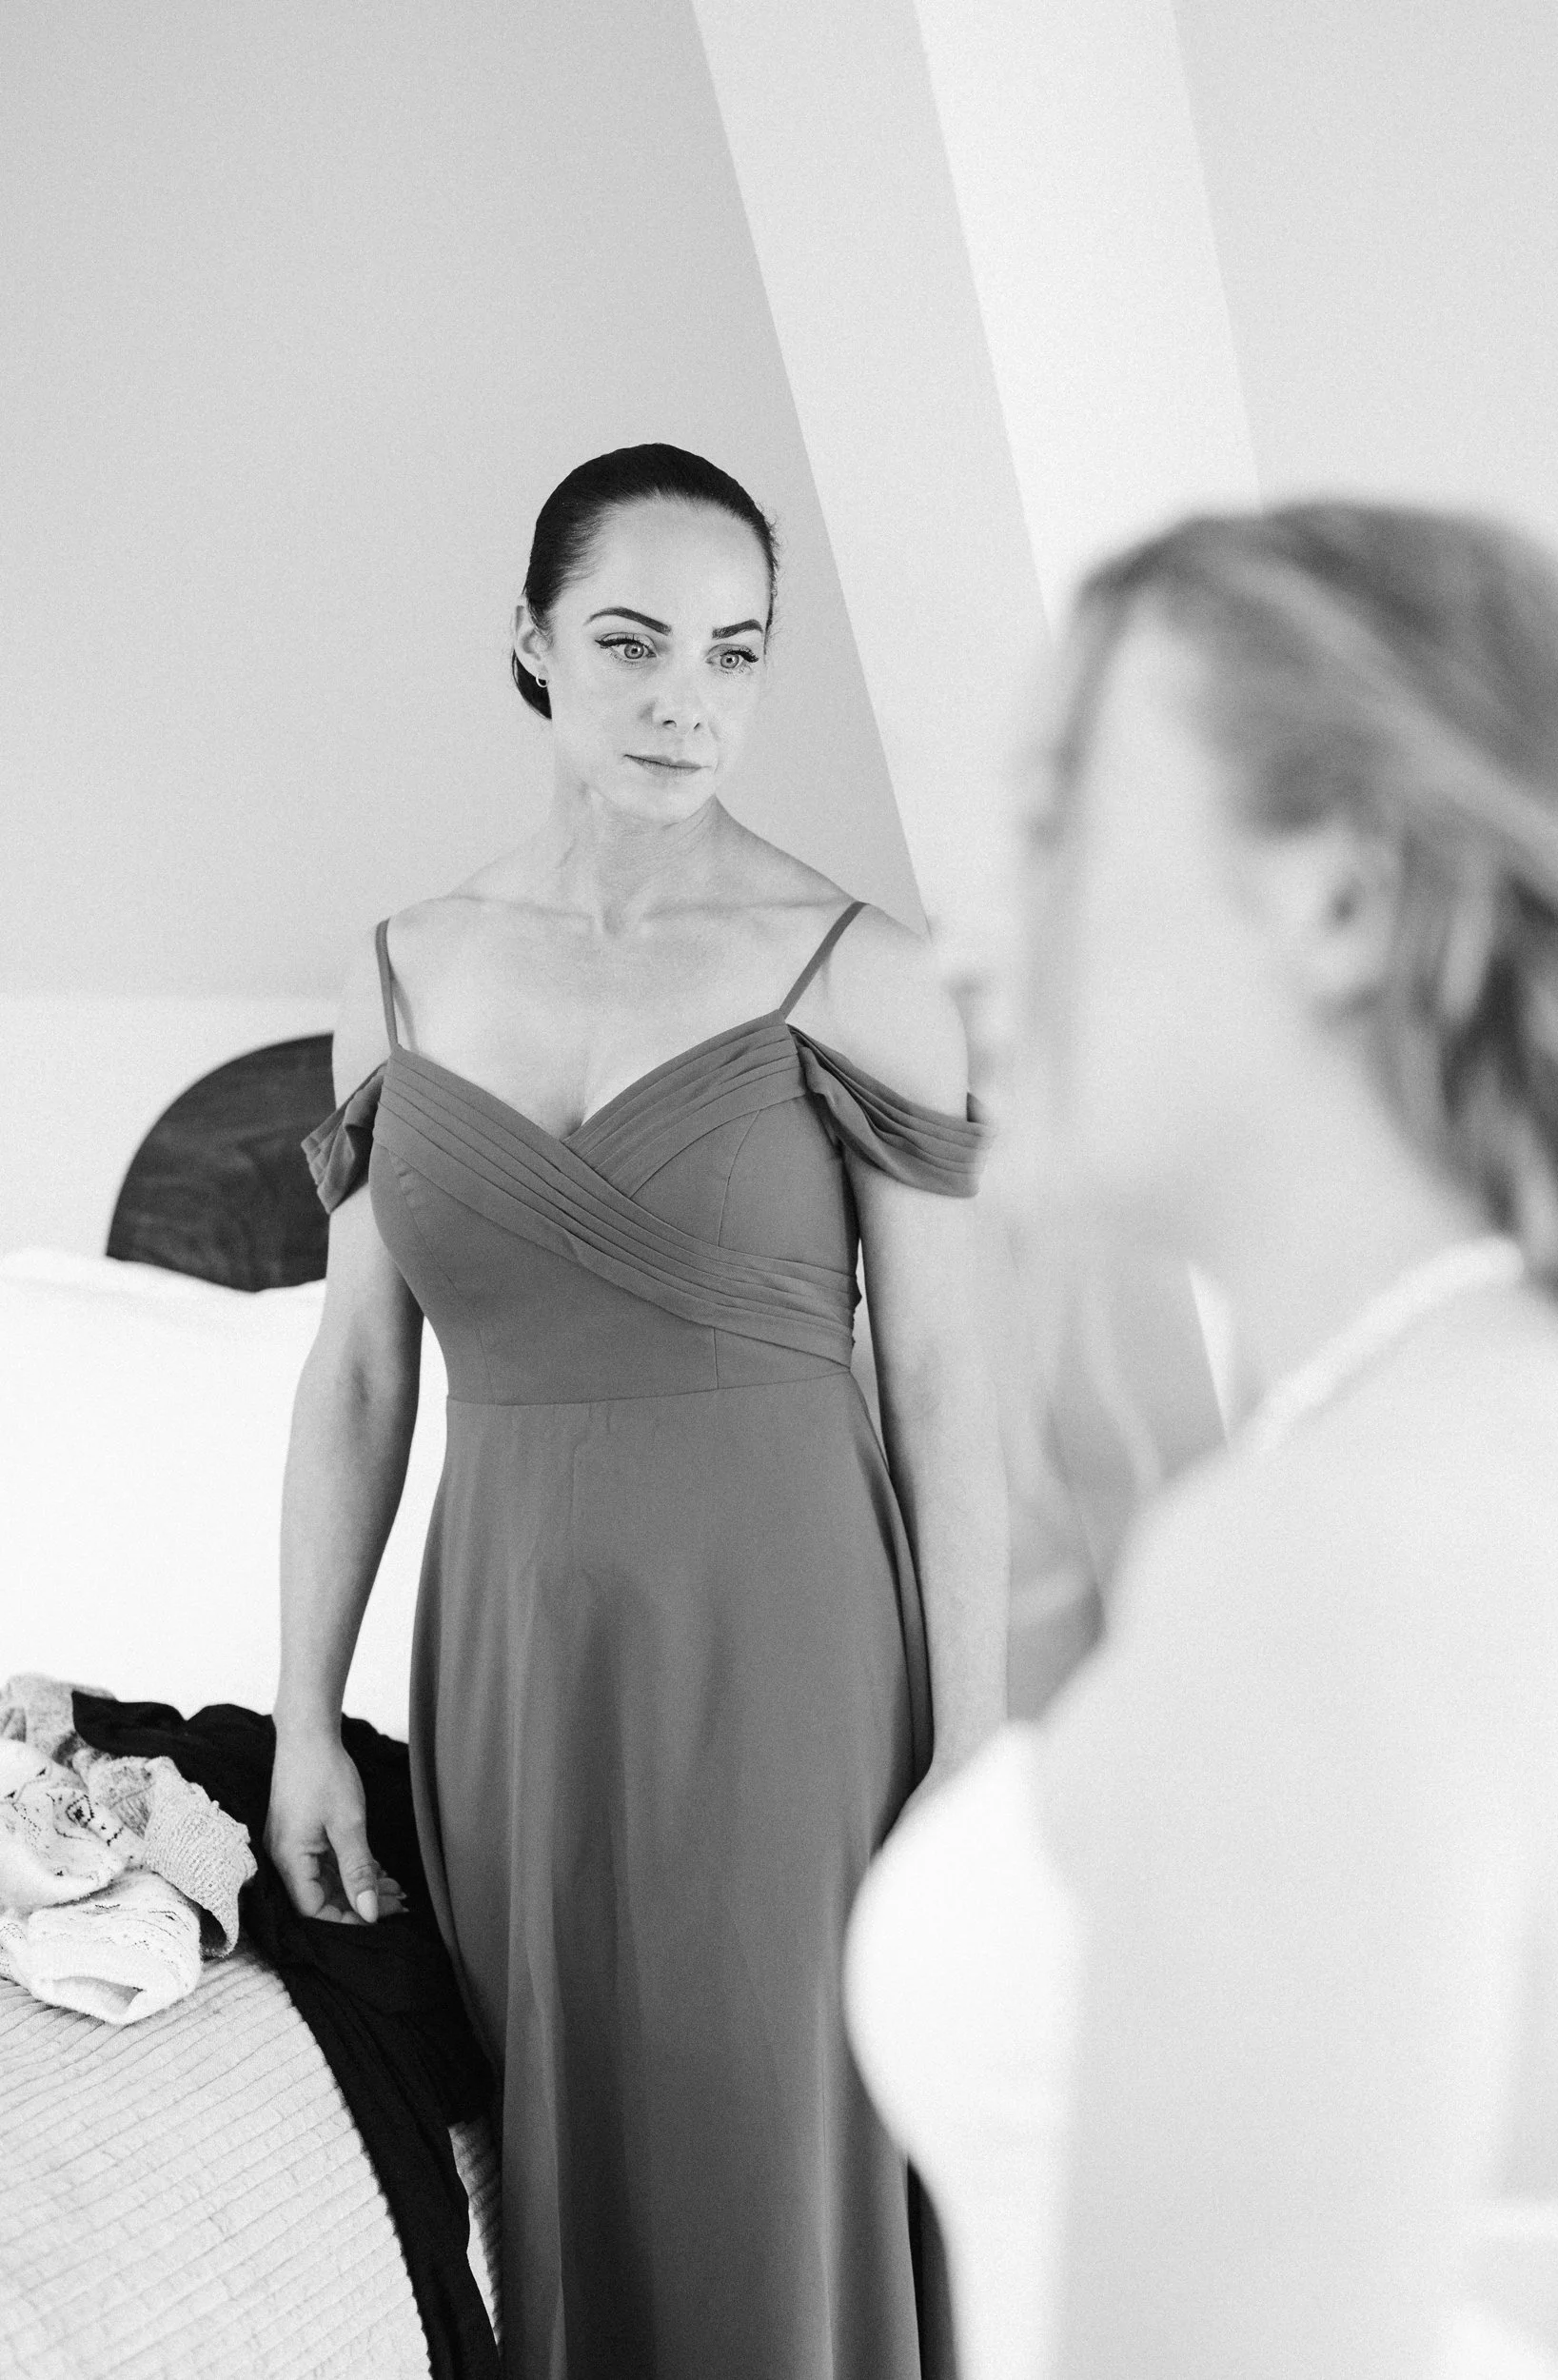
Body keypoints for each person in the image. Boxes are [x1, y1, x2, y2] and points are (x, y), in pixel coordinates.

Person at [265, 442, 1009, 2379]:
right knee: (557, 2152)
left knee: (763, 2137)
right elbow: (357, 1371)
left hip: (784, 1660)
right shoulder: (396, 974)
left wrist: (975, 1748)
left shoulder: (863, 971)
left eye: (736, 652)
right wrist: (300, 1719)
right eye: (632, 639)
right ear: (529, 642)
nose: (688, 696)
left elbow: (942, 1379)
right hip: (507, 1666)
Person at [844, 501, 1558, 2379]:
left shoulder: (1334, 1549)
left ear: (1335, 890)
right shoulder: (1490, 1427)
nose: (963, 932)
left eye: (1046, 822)